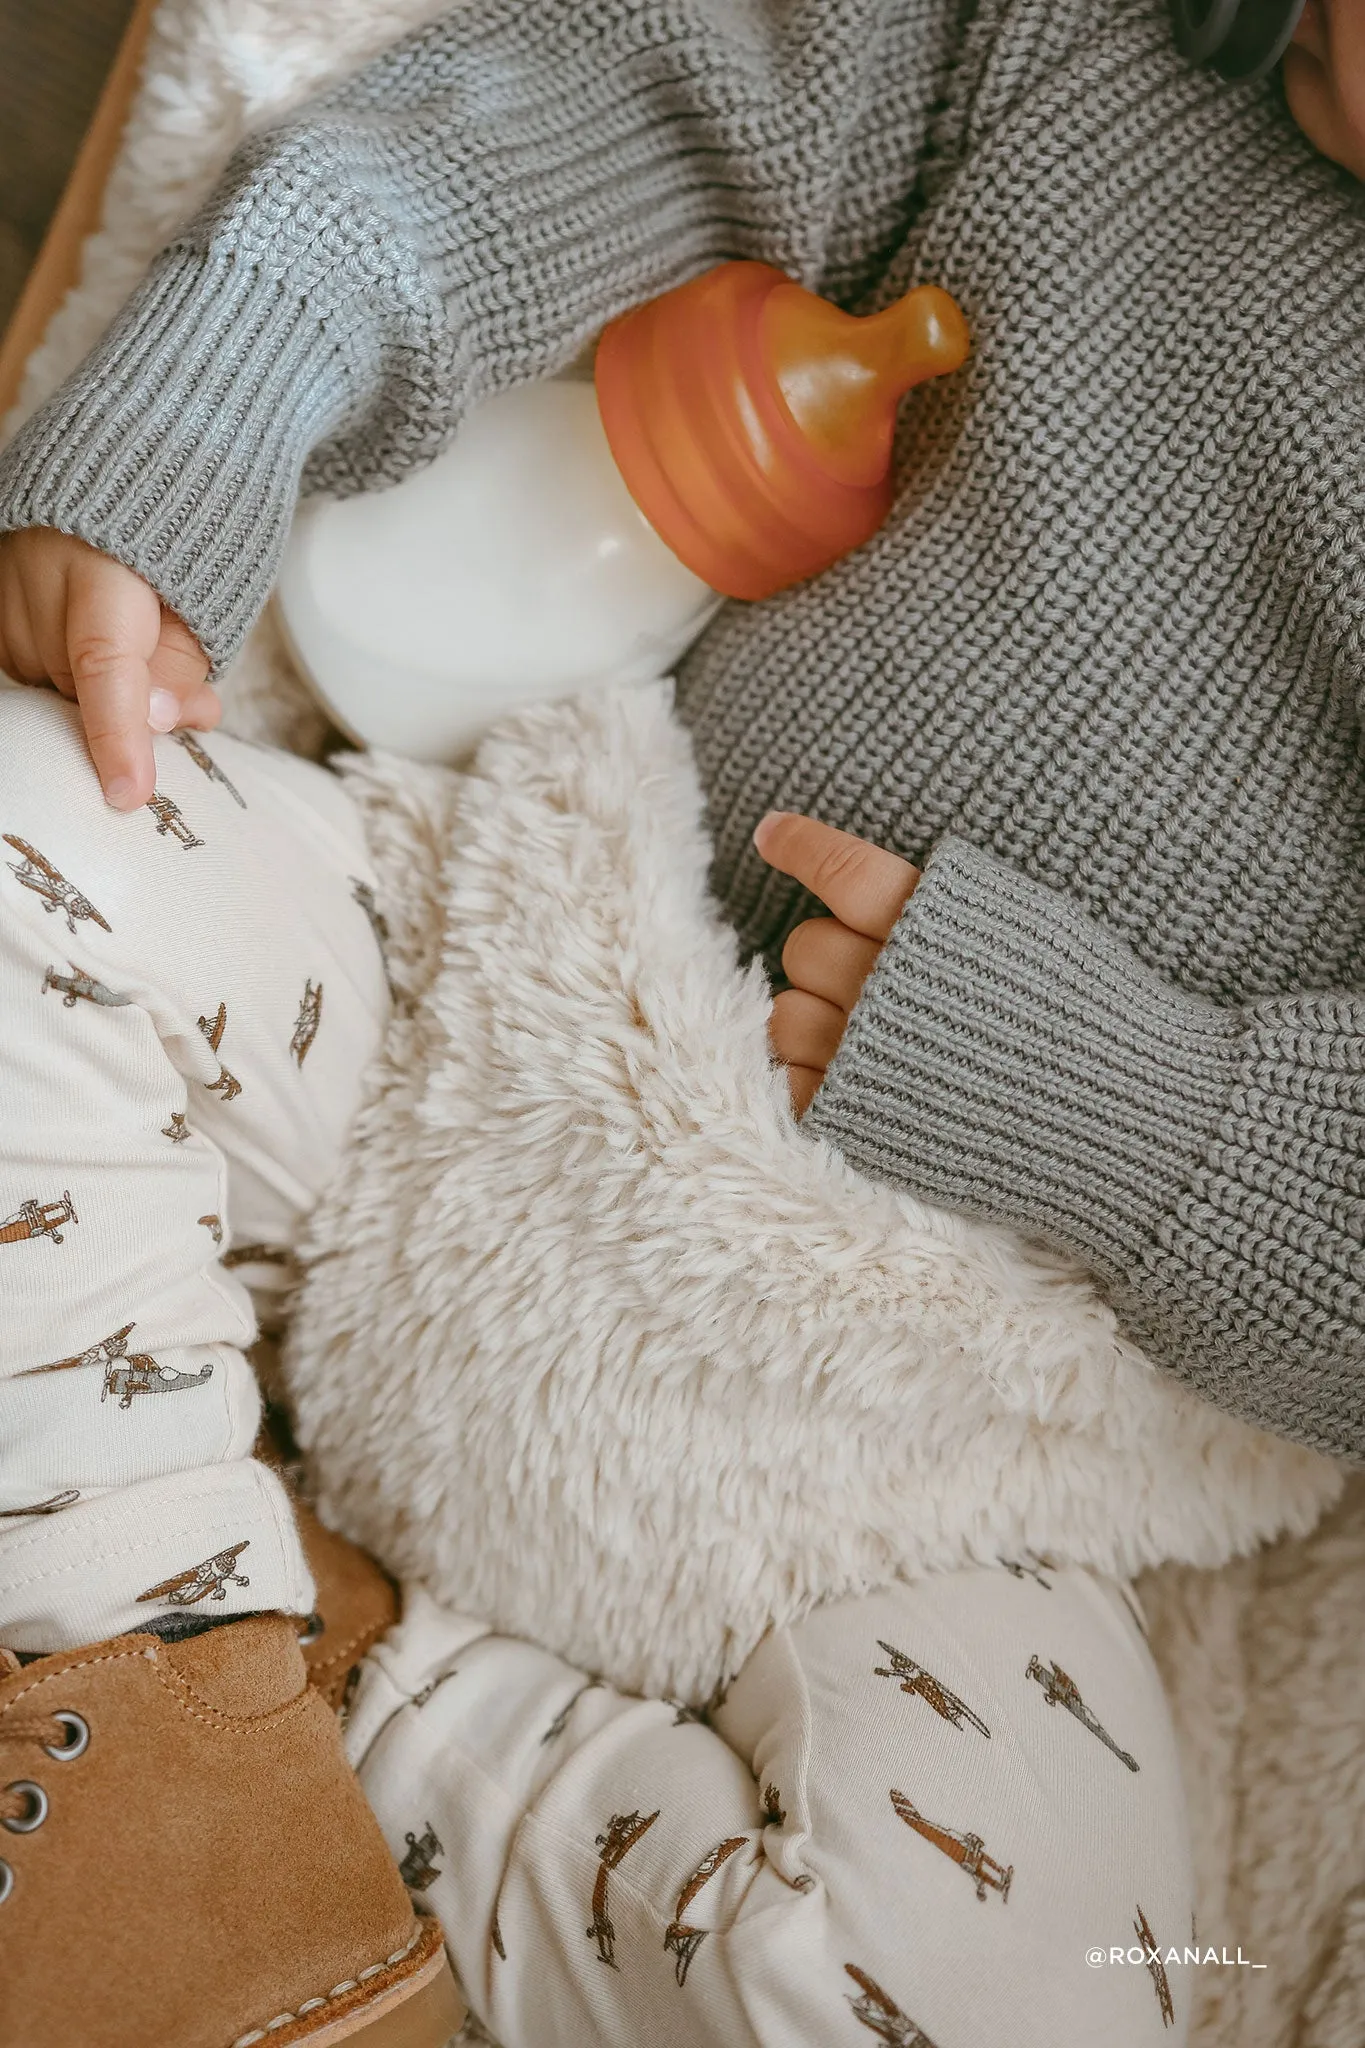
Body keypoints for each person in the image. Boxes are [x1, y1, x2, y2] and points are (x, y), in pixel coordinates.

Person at [0, 0, 1361, 2042]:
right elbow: (601, 109)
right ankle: (146, 1729)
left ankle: (331, 1674)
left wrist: (1144, 1116)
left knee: (1027, 1994)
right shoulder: (1087, 43)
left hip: (961, 1438)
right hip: (510, 989)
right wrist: (226, 389)